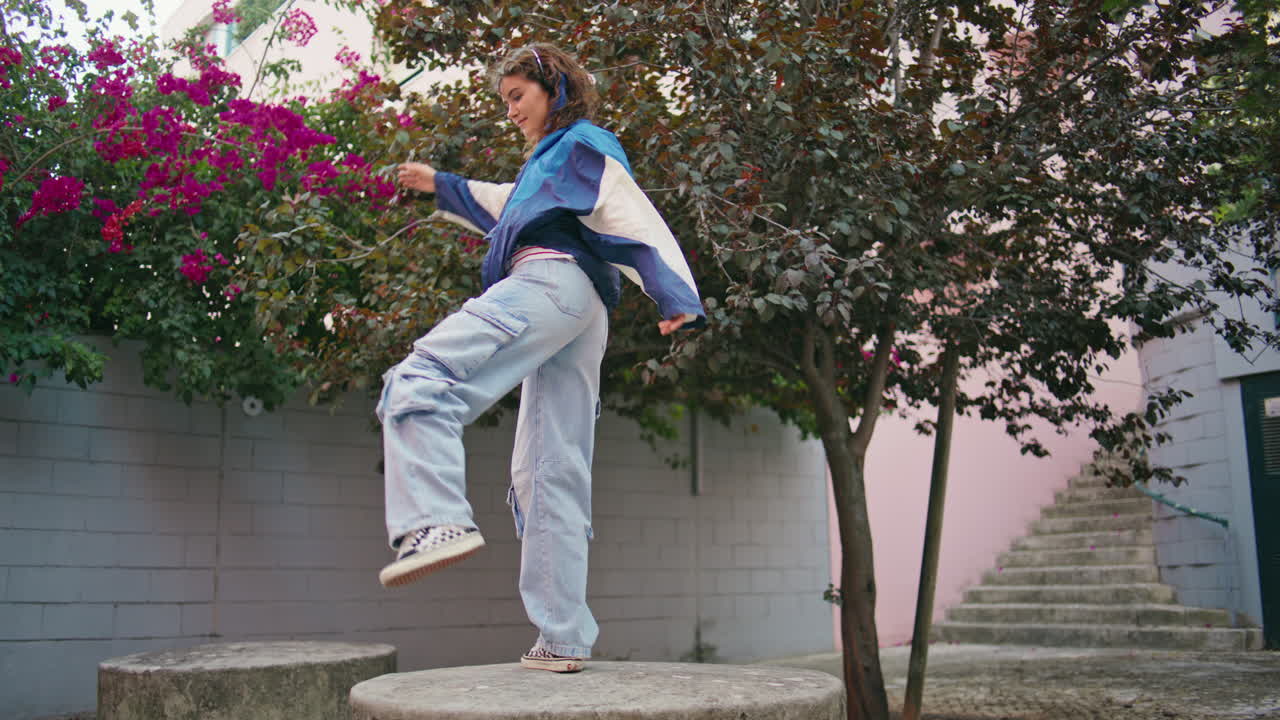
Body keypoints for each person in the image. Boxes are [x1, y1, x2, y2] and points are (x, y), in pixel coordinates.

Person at [374, 43, 705, 674]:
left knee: (420, 378)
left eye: (517, 97)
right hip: (579, 311)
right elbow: (504, 204)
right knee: (550, 470)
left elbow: (627, 207)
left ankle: (434, 519)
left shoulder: (581, 143)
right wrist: (438, 186)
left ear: (553, 87)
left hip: (548, 285)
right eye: (504, 102)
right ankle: (562, 638)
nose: (510, 111)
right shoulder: (546, 171)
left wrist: (673, 290)